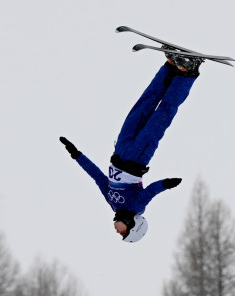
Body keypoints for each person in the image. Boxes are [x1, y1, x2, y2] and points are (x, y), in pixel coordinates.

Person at [59, 52, 203, 243]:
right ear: (133, 226)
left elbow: (97, 177)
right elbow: (151, 191)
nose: (117, 231)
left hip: (120, 149)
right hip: (138, 157)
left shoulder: (112, 204)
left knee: (142, 107)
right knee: (162, 114)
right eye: (122, 233)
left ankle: (170, 67)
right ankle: (187, 73)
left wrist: (77, 155)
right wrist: (165, 184)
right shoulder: (136, 206)